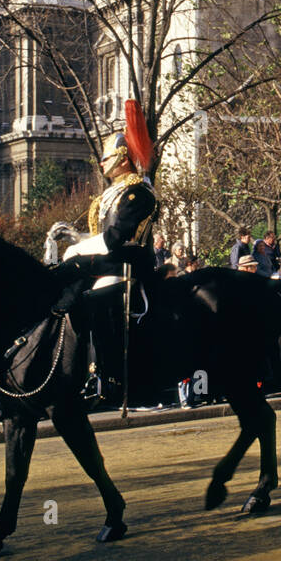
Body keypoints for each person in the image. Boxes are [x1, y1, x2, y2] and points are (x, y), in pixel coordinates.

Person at [53, 126, 159, 406]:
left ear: (123, 158)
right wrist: (74, 237)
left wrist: (76, 249)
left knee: (96, 300)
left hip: (129, 264)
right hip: (109, 261)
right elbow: (101, 235)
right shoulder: (109, 195)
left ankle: (109, 374)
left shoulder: (138, 193)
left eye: (106, 157)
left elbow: (115, 238)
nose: (101, 162)